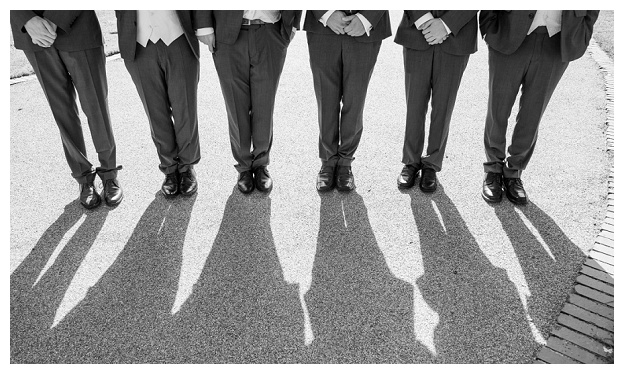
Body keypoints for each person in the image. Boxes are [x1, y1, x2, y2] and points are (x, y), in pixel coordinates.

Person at [479, 10, 600, 204]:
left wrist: (583, 32)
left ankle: (514, 172)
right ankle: (493, 169)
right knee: (498, 108)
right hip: (509, 33)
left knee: (533, 113)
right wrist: (489, 27)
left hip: (557, 41)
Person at [10, 10, 123, 209]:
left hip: (78, 26)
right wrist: (25, 18)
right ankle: (84, 179)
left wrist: (55, 18)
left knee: (96, 106)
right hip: (32, 36)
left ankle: (109, 173)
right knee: (62, 112)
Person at [197, 10, 302, 194]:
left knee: (265, 102)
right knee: (236, 104)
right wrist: (204, 25)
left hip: (271, 31)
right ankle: (244, 166)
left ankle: (261, 163)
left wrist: (293, 23)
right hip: (227, 33)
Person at [116, 11, 209, 197]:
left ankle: (186, 167)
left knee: (185, 109)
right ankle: (169, 168)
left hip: (178, 37)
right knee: (155, 113)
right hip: (138, 43)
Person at [304, 10, 391, 192]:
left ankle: (345, 163)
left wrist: (367, 17)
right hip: (323, 27)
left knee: (355, 101)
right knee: (325, 101)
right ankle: (328, 161)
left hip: (366, 27)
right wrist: (326, 13)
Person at [395, 10, 478, 192]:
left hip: (457, 33)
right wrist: (424, 20)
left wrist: (447, 24)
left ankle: (432, 164)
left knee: (444, 105)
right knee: (414, 103)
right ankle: (411, 161)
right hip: (417, 30)